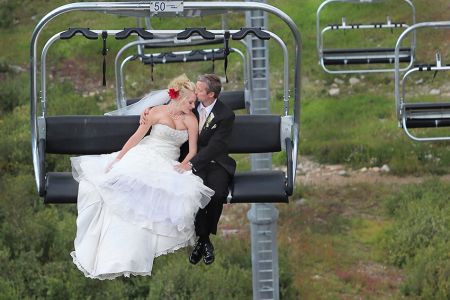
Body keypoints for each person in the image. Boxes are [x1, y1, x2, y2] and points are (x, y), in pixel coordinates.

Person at [70, 74, 214, 280]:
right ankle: (109, 242)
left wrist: (184, 165)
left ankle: (133, 246)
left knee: (177, 192)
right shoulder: (156, 113)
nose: (193, 106)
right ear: (178, 97)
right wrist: (118, 158)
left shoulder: (191, 120)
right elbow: (137, 137)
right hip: (146, 154)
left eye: (194, 102)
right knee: (121, 184)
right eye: (190, 101)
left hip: (169, 161)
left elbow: (192, 150)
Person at [141, 73, 236, 265]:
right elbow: (170, 104)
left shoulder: (226, 115)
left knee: (217, 194)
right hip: (191, 160)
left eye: (200, 90)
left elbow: (215, 146)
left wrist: (190, 164)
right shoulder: (191, 102)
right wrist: (149, 109)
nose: (195, 92)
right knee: (196, 192)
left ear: (210, 95)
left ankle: (203, 239)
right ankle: (205, 240)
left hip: (215, 161)